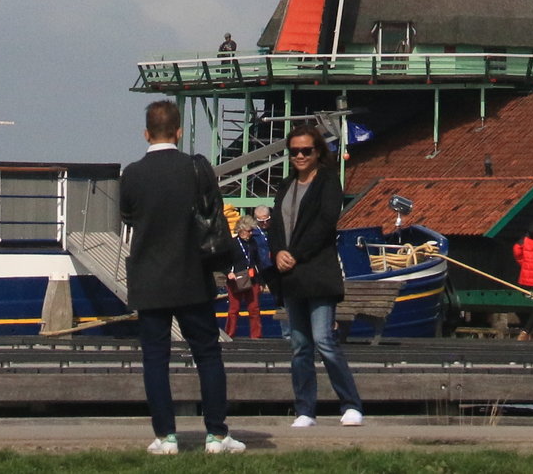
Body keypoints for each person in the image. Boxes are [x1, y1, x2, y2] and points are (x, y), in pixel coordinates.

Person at [118, 99, 243, 454]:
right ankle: (217, 435)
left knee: (156, 358)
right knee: (207, 354)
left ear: (146, 133)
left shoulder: (132, 173)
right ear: (178, 131)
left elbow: (128, 215)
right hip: (192, 274)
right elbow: (212, 213)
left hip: (150, 277)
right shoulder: (194, 168)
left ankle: (165, 437)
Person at [270, 123, 363, 428]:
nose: (299, 156)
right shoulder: (285, 185)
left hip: (317, 271)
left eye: (305, 151)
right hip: (291, 276)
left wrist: (296, 253)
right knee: (299, 345)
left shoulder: (327, 182)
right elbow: (275, 225)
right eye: (294, 151)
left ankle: (350, 404)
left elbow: (325, 224)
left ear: (318, 151)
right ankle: (305, 409)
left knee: (324, 339)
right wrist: (277, 252)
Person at [220, 207, 266, 340]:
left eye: (252, 231)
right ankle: (230, 334)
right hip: (236, 280)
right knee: (234, 310)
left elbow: (258, 262)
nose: (250, 233)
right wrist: (228, 272)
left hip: (252, 279)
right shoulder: (232, 244)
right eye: (248, 231)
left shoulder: (253, 244)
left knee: (254, 309)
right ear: (240, 230)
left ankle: (256, 336)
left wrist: (261, 281)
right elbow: (223, 262)